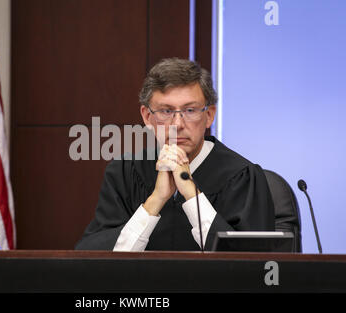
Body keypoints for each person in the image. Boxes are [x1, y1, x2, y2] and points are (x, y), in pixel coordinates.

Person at [75, 58, 275, 251]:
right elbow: (95, 260)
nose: (177, 125)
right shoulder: (125, 173)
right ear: (147, 116)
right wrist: (156, 200)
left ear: (209, 115)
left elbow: (253, 268)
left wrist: (190, 194)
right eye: (165, 111)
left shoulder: (242, 177)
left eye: (190, 110)